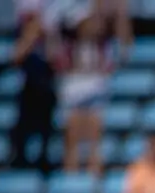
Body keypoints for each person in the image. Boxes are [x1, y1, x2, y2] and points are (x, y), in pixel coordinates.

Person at [55, 7, 115, 175]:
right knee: (73, 126)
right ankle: (71, 169)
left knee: (94, 124)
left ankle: (93, 166)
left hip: (94, 91)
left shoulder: (102, 47)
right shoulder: (68, 47)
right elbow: (61, 67)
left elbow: (107, 69)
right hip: (74, 92)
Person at [10, 5, 57, 174]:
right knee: (23, 128)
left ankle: (43, 159)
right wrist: (30, 36)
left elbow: (56, 59)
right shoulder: (21, 34)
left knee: (45, 128)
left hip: (46, 88)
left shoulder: (50, 36)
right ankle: (19, 159)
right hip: (27, 89)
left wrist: (48, 36)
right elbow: (15, 57)